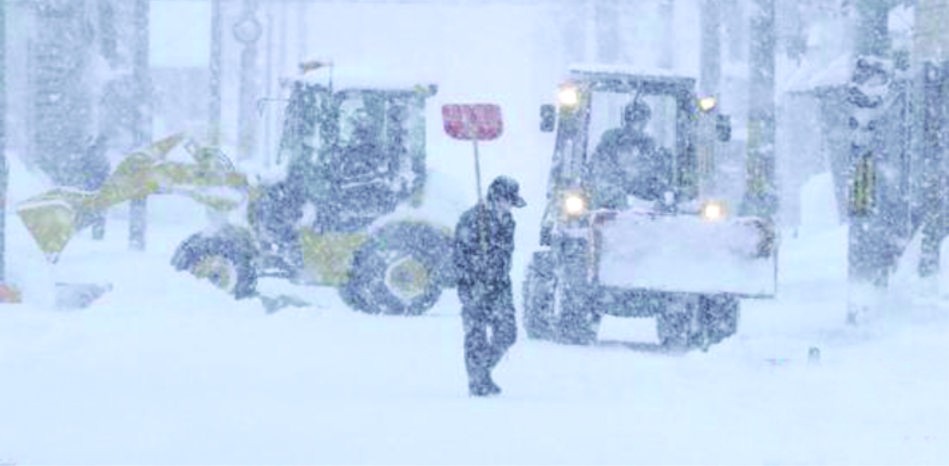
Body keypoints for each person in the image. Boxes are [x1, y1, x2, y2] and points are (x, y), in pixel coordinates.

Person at [453, 176, 527, 397]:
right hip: (474, 284)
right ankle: (477, 381)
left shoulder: (509, 222)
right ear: (496, 198)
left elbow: (505, 254)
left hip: (500, 284)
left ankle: (482, 372)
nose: (510, 207)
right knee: (476, 334)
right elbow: (458, 256)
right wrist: (476, 269)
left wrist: (498, 271)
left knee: (507, 333)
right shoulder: (472, 220)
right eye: (508, 202)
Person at [590, 100, 670, 208]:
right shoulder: (610, 143)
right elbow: (598, 176)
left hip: (646, 210)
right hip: (609, 207)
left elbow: (657, 179)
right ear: (626, 120)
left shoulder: (650, 147)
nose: (639, 125)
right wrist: (618, 195)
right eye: (634, 120)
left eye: (642, 121)